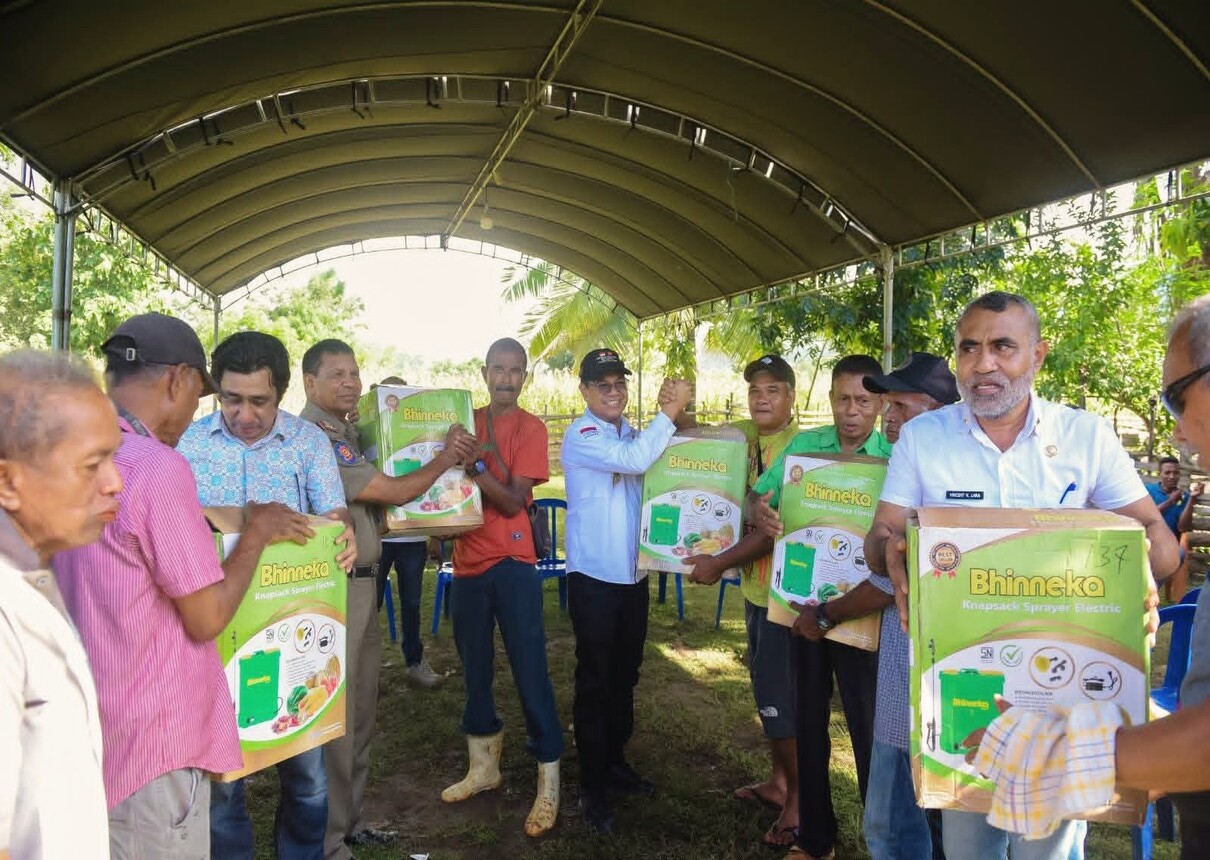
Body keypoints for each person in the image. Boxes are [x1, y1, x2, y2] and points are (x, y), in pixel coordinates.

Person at [863, 291, 1180, 860]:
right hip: (967, 678)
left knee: (1050, 848)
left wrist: (1134, 571)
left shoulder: (1085, 437)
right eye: (969, 348)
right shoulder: (924, 438)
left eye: (1003, 346)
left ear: (1038, 355)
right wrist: (890, 550)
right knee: (968, 842)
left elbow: (1160, 544)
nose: (984, 364)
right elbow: (882, 535)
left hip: (1062, 679)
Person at [55, 316, 320, 860]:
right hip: (155, 740)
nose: (195, 414)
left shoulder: (64, 454)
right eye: (203, 396)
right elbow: (205, 618)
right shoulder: (158, 467)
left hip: (87, 728)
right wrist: (255, 534)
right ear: (177, 380)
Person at [176, 330, 354, 860]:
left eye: (259, 401)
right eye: (232, 399)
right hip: (214, 630)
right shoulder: (186, 445)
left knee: (308, 773)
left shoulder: (308, 443)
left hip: (296, 630)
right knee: (224, 778)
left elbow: (334, 512)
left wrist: (341, 533)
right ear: (215, 391)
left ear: (279, 392)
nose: (245, 414)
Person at [299, 339, 476, 857]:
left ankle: (350, 823)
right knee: (338, 720)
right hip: (339, 589)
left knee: (362, 713)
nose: (350, 382)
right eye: (337, 375)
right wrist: (445, 457)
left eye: (354, 373)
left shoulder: (353, 432)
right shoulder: (320, 437)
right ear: (310, 383)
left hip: (364, 583)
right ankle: (331, 841)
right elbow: (395, 493)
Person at [796, 352, 958, 860]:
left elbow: (889, 582)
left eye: (899, 407)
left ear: (936, 411)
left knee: (898, 818)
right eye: (885, 405)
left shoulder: (941, 477)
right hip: (903, 668)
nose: (886, 416)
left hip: (921, 670)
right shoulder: (909, 468)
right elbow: (882, 556)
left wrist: (824, 613)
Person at [745, 354, 891, 860]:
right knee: (808, 723)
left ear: (879, 403)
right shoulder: (805, 448)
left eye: (864, 401)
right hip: (802, 607)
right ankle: (815, 838)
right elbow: (756, 499)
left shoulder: (892, 456)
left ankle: (883, 838)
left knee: (869, 730)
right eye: (843, 399)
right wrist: (759, 511)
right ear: (830, 400)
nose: (852, 411)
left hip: (863, 614)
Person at [561, 347, 693, 835]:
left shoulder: (632, 432)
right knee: (595, 681)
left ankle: (615, 761)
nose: (613, 392)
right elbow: (636, 462)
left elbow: (667, 456)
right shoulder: (584, 435)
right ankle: (591, 784)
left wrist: (675, 416)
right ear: (585, 392)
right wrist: (668, 412)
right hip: (594, 579)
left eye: (619, 383)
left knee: (625, 675)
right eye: (603, 385)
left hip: (633, 576)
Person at [438, 338, 565, 837]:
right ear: (484, 371)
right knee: (475, 671)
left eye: (515, 371)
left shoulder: (532, 428)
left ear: (525, 376)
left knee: (530, 669)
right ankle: (483, 768)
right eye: (498, 369)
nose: (506, 378)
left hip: (514, 564)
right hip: (467, 564)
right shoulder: (464, 423)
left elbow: (514, 502)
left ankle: (548, 777)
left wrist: (476, 467)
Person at [0, 351, 123, 860]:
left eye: (114, 458)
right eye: (92, 465)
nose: (115, 482)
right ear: (8, 483)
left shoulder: (33, 577)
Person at [681, 353, 802, 848]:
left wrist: (719, 562)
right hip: (755, 592)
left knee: (783, 700)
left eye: (773, 390)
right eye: (755, 390)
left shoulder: (803, 449)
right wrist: (678, 408)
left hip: (786, 595)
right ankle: (778, 782)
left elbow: (773, 532)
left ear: (793, 397)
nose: (762, 398)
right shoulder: (741, 437)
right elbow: (694, 436)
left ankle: (797, 806)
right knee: (767, 694)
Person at [373, 377, 441, 689]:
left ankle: (414, 662)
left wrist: (436, 535)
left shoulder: (419, 436)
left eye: (400, 396)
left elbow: (435, 484)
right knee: (367, 603)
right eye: (388, 396)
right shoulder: (366, 433)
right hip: (377, 537)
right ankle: (362, 668)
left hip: (412, 537)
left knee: (412, 603)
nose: (394, 402)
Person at [1147, 456, 1190, 538]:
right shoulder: (1148, 490)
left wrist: (1193, 499)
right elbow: (1148, 516)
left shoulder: (1185, 496)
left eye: (1176, 473)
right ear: (1160, 474)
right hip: (1149, 543)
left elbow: (1182, 528)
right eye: (1167, 473)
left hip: (1172, 544)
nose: (1172, 476)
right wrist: (1171, 500)